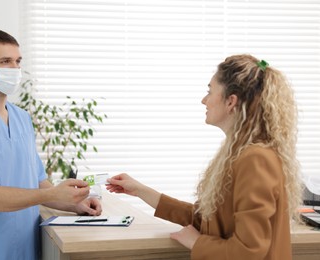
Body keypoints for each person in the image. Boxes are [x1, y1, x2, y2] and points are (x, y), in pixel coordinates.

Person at [106, 54, 302, 260]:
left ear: (230, 101)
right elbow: (207, 219)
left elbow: (249, 251)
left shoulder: (255, 159)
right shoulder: (239, 153)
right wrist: (141, 191)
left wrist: (197, 242)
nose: (204, 100)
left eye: (209, 91)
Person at [0, 28, 102, 260]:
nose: (15, 69)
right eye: (5, 61)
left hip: (24, 247)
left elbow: (38, 182)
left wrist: (76, 204)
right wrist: (52, 194)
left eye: (17, 61)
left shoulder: (22, 118)